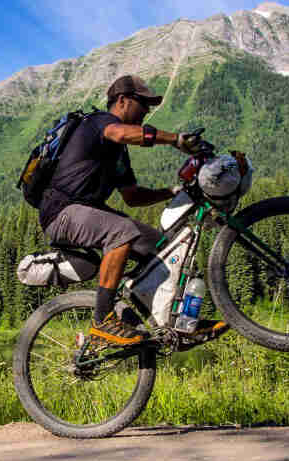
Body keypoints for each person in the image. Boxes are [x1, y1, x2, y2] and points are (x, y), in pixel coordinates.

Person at [39, 75, 228, 346]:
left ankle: (175, 322)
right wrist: (174, 139)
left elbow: (132, 197)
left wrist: (173, 192)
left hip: (86, 212)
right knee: (121, 232)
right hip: (62, 212)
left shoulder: (118, 154)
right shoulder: (99, 123)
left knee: (166, 247)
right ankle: (103, 320)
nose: (147, 111)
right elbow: (121, 133)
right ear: (123, 101)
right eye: (143, 104)